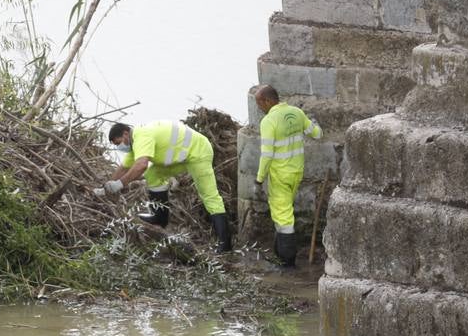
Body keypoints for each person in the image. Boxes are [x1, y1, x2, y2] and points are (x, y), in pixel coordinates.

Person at [102, 120, 232, 253]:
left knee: (209, 196)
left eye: (118, 143)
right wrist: (105, 188)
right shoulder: (135, 144)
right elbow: (123, 168)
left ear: (125, 134)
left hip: (198, 151)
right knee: (153, 174)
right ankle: (160, 218)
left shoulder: (142, 136)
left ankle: (225, 245)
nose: (119, 147)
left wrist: (119, 184)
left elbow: (141, 165)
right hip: (183, 156)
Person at [254, 85, 321, 266]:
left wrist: (259, 179)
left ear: (267, 101)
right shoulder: (297, 113)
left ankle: (288, 264)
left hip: (280, 176)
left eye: (259, 103)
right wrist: (314, 122)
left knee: (284, 219)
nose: (259, 108)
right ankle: (280, 253)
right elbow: (317, 133)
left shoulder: (269, 121)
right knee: (284, 211)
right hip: (296, 172)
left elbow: (267, 154)